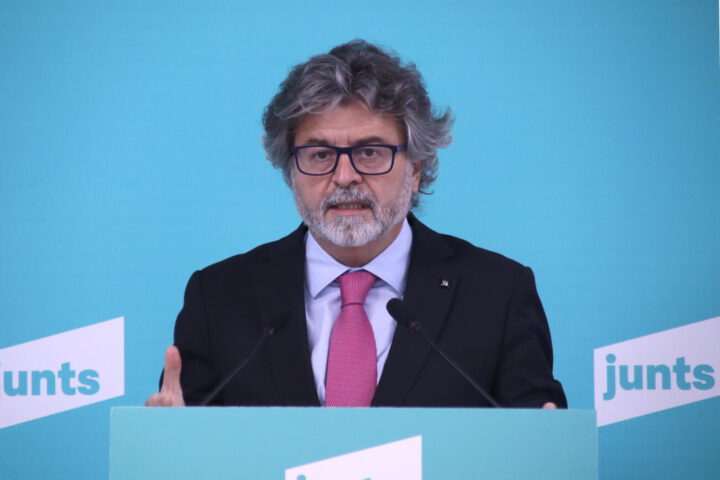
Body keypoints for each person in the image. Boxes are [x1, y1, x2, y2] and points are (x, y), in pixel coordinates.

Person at [145, 39, 566, 409]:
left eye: (369, 152)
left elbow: (536, 441)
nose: (344, 177)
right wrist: (166, 441)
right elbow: (187, 444)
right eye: (319, 155)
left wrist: (544, 446)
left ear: (416, 168)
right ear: (290, 171)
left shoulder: (498, 295)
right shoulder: (220, 298)